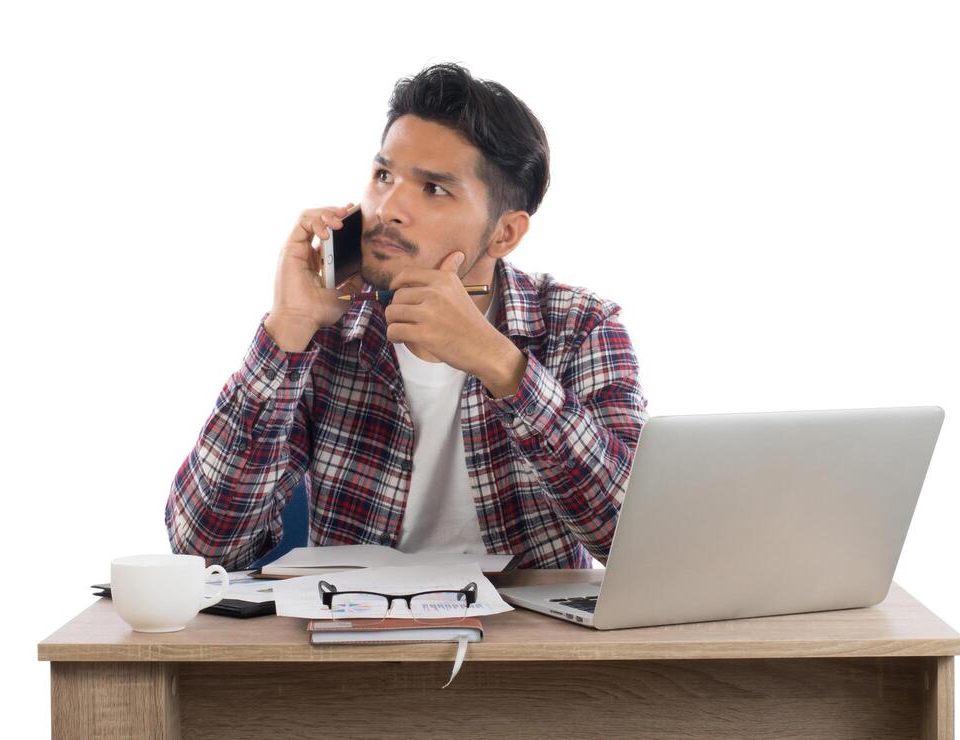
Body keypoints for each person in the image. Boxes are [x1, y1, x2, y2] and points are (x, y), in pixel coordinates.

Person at [165, 62, 648, 570]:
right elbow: (203, 550)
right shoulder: (327, 330)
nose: (388, 208)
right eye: (383, 176)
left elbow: (638, 545)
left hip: (525, 646)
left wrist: (502, 366)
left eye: (434, 189)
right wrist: (287, 330)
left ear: (505, 234)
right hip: (353, 640)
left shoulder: (580, 326)